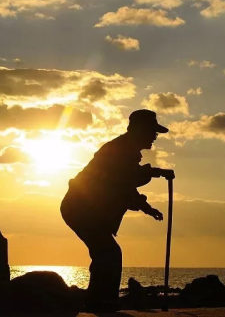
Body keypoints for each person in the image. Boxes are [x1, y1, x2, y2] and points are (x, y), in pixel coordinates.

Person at [60, 109, 175, 312]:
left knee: (105, 253)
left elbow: (125, 187)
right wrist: (156, 172)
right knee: (108, 252)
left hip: (85, 210)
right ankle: (101, 302)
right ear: (139, 130)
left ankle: (100, 301)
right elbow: (125, 177)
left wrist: (147, 207)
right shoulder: (119, 150)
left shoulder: (127, 151)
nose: (155, 137)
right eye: (152, 131)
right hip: (81, 209)